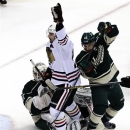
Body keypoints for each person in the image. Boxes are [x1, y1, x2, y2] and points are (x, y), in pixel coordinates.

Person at [75, 22, 124, 130]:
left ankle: (104, 121)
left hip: (112, 79)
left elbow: (114, 33)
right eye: (85, 45)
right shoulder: (80, 58)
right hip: (98, 84)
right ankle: (91, 128)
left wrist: (108, 28)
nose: (87, 47)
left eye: (89, 44)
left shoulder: (100, 41)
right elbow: (85, 75)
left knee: (119, 104)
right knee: (100, 108)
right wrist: (88, 71)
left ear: (93, 41)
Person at [46, 3, 82, 130]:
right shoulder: (49, 45)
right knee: (68, 103)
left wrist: (59, 22)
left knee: (55, 111)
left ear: (57, 35)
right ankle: (79, 120)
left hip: (68, 82)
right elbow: (53, 62)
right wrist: (49, 71)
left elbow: (63, 38)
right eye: (49, 34)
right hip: (60, 80)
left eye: (52, 34)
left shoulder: (65, 46)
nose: (49, 36)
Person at [21, 62, 55, 130]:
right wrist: (43, 99)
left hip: (58, 111)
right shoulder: (28, 86)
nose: (37, 76)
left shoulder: (52, 81)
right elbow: (31, 108)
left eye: (39, 74)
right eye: (35, 74)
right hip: (40, 118)